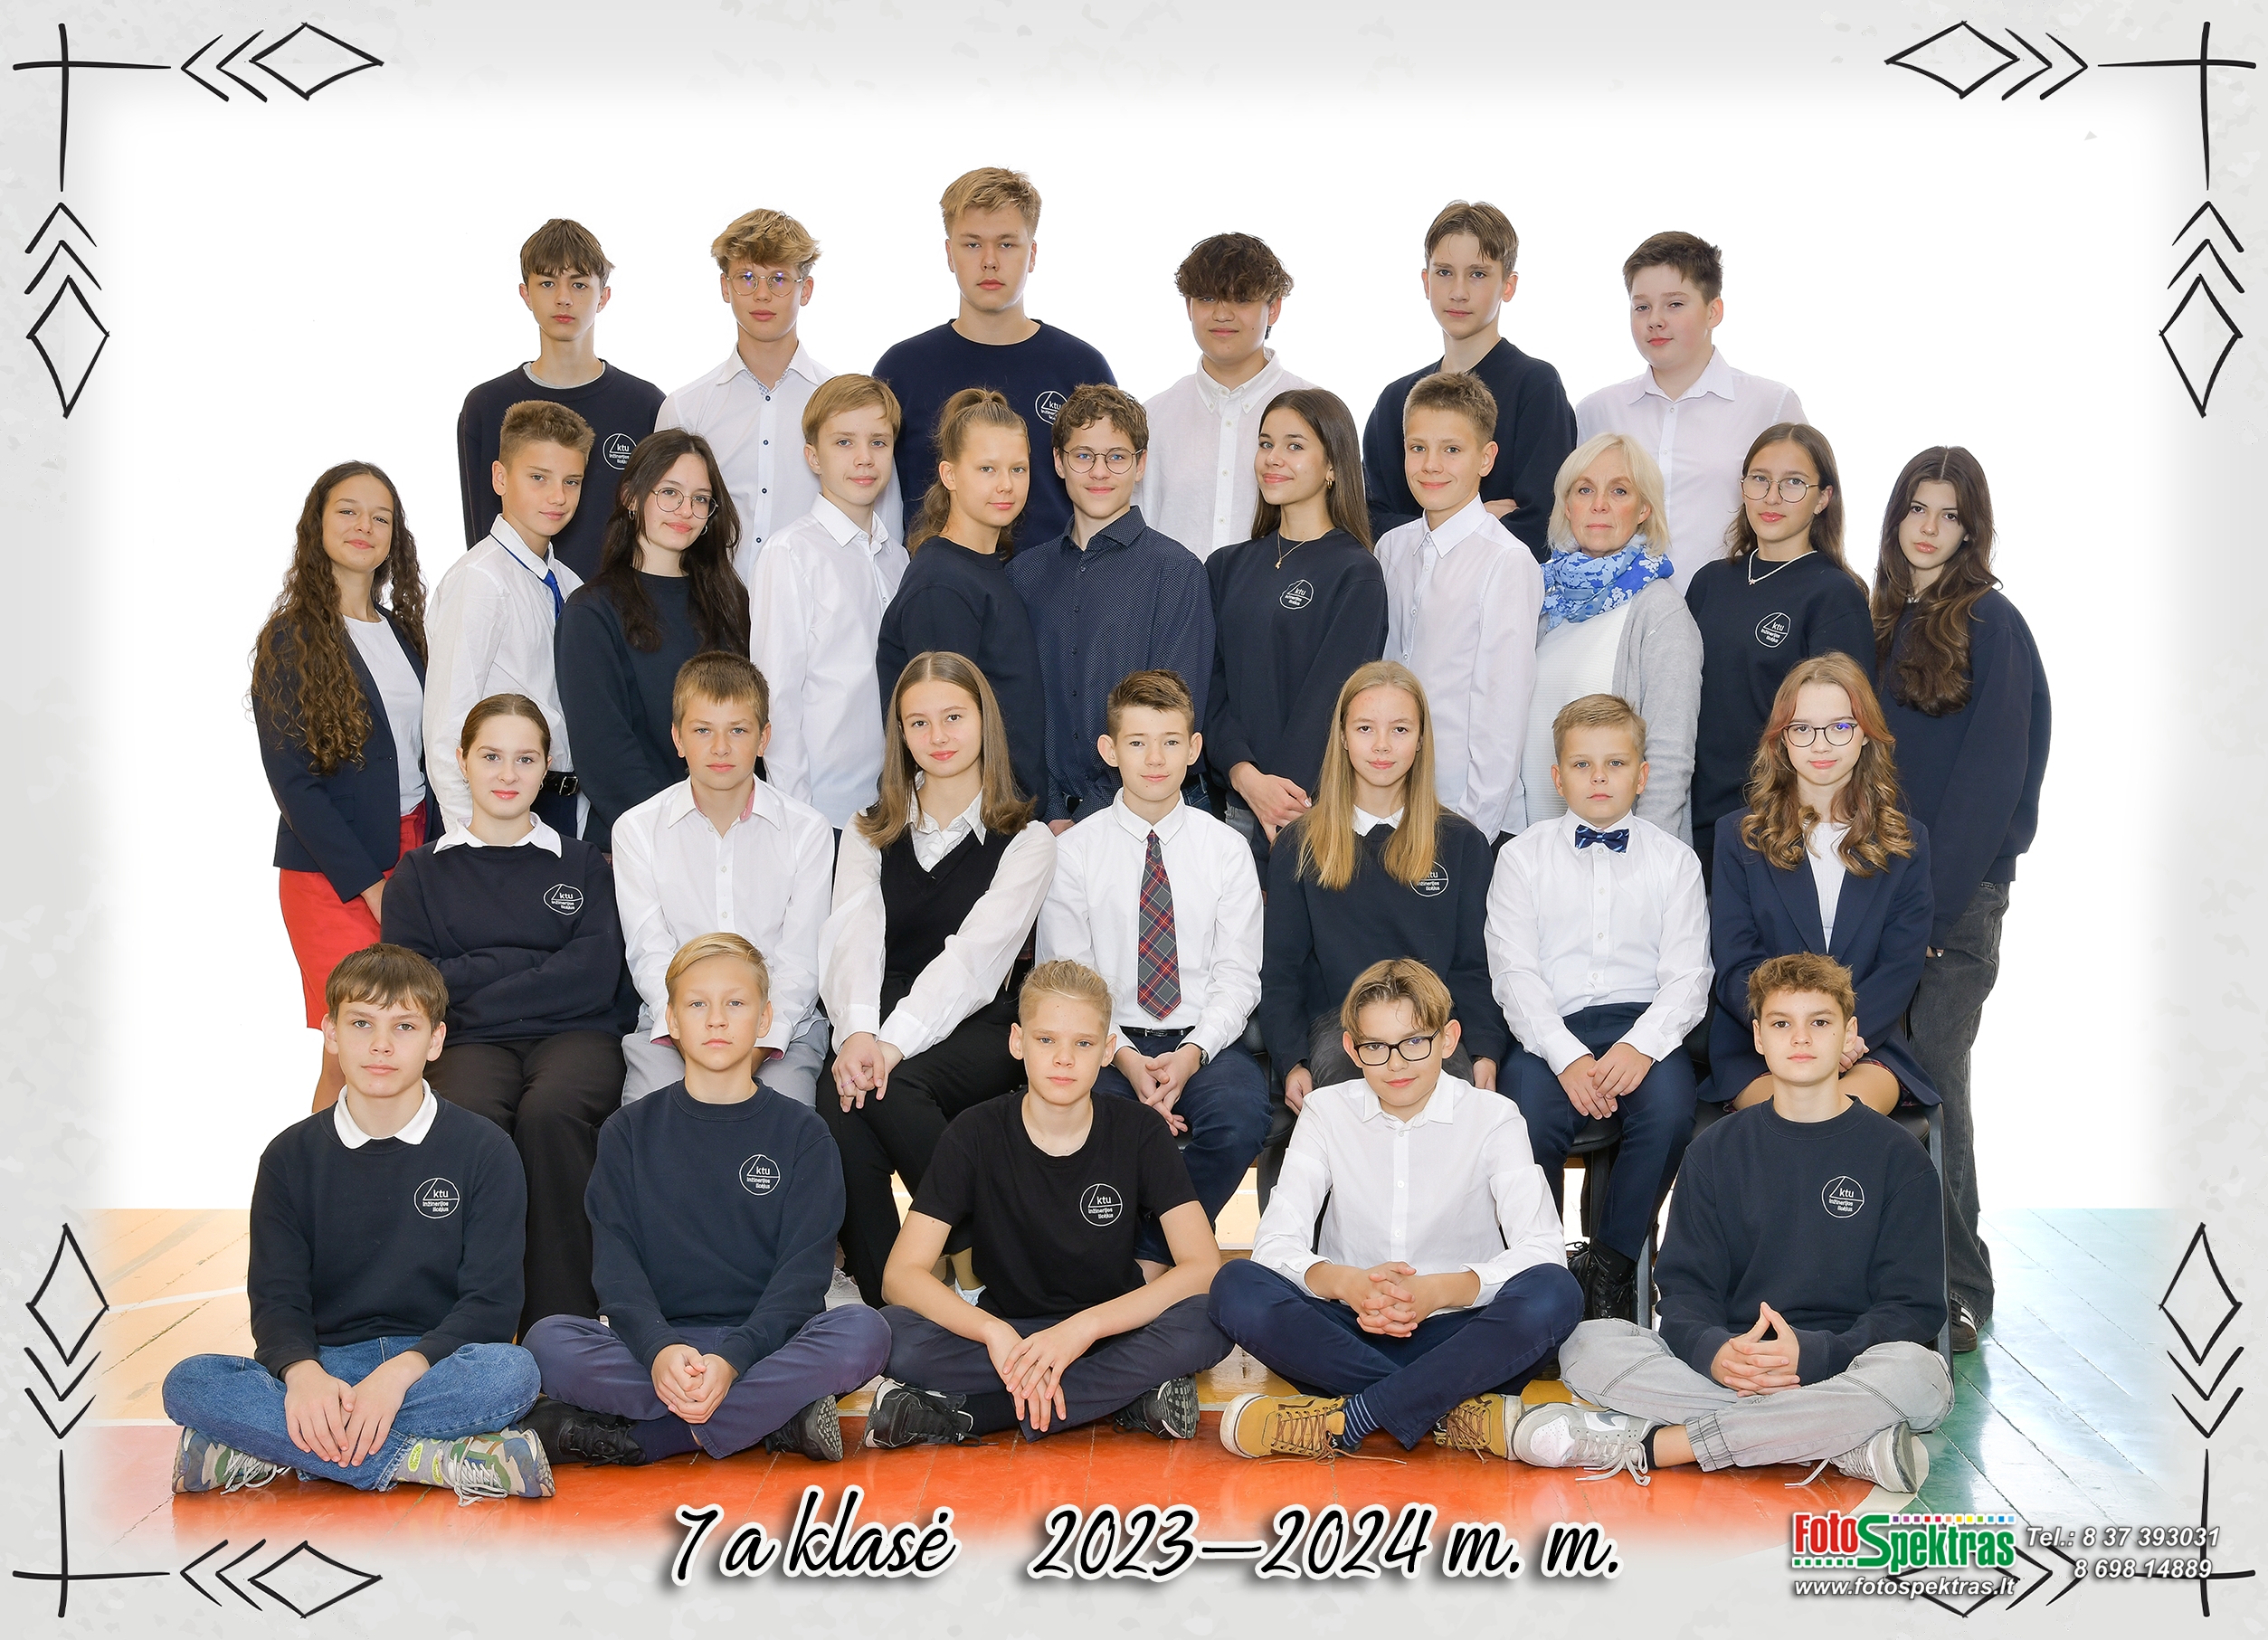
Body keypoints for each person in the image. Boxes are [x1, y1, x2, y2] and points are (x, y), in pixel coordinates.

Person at [1517, 953, 1950, 1493]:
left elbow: (1913, 1309)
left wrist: (1815, 1355)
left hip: (1846, 1363)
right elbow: (1685, 1294)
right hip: (1733, 1369)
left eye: (1820, 1022)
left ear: (1849, 1034)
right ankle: (1843, 1443)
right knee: (1588, 1343)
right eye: (1782, 1024)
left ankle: (1662, 1444)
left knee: (1920, 1376)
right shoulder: (1714, 1151)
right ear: (1758, 1038)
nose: (1801, 1038)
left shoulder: (1897, 1155)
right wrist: (1717, 1353)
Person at [162, 946, 553, 1503]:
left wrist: (399, 1376)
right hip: (330, 1365)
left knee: (512, 1372)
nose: (381, 1045)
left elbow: (491, 1305)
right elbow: (277, 1299)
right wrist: (303, 1376)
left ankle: (269, 1448)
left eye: (405, 1026)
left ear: (436, 1040)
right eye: (362, 1023)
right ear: (331, 1032)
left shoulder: (485, 1149)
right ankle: (426, 1460)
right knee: (190, 1380)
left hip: (434, 1366)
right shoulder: (289, 1157)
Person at [524, 934, 892, 1466]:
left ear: (765, 1019)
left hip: (768, 1343)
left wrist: (735, 1358)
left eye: (735, 1003)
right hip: (659, 1346)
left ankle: (645, 1439)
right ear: (671, 1020)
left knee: (865, 1332)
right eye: (697, 1004)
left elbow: (802, 1278)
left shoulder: (803, 1134)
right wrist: (659, 1351)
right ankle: (775, 1417)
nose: (716, 1020)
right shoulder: (627, 1132)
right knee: (548, 1341)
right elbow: (616, 1269)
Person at [1209, 959, 1577, 1459]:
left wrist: (1438, 1291)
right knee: (1235, 1286)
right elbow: (1275, 1244)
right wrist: (1347, 1284)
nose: (1396, 1064)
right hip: (1348, 1333)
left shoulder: (1494, 1116)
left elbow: (1543, 1250)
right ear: (1351, 1049)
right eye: (1376, 1047)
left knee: (1556, 1292)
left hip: (1459, 1334)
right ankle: (1447, 1411)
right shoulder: (1325, 1111)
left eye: (1414, 1042)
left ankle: (1352, 1417)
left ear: (1448, 1040)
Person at [861, 961, 1230, 1449]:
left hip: (1109, 1329)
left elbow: (1203, 1266)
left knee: (1211, 1319)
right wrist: (993, 1333)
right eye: (1046, 1040)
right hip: (1007, 1334)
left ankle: (973, 1414)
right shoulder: (973, 1133)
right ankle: (1124, 1398)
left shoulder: (1140, 1131)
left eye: (1083, 1044)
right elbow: (900, 1276)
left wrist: (1083, 1329)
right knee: (889, 1334)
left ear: (1107, 1051)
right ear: (1018, 1042)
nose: (1064, 1059)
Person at [1871, 447, 2050, 1353]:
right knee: (1875, 1085)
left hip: (1953, 906)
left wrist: (1936, 915)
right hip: (1876, 897)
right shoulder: (1880, 622)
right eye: (1916, 506)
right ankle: (1888, 1279)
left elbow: (1993, 777)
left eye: (1948, 512)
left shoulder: (1992, 623)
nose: (1929, 526)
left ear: (1971, 528)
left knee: (1932, 1083)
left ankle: (1957, 1290)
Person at [381, 694, 632, 1333]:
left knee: (552, 1113)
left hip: (575, 1035)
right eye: (491, 756)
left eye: (525, 758)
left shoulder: (584, 863)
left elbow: (594, 975)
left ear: (547, 766)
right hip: (467, 1044)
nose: (507, 773)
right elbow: (416, 987)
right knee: (471, 1117)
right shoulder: (419, 875)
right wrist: (533, 966)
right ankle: (475, 1326)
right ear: (461, 760)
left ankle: (562, 1326)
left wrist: (470, 973)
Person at [821, 652, 1058, 1303]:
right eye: (918, 722)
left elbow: (975, 961)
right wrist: (857, 1033)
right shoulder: (867, 829)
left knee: (886, 1086)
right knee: (838, 1096)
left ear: (985, 721)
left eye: (954, 717)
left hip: (980, 1019)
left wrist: (888, 1045)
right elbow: (852, 936)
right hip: (878, 1006)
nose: (938, 736)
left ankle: (988, 1251)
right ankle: (889, 1300)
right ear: (899, 733)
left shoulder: (1027, 838)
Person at [1037, 669, 1268, 1276]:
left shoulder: (1226, 850)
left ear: (1194, 749)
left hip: (1205, 1041)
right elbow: (1068, 981)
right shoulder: (1075, 853)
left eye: (1170, 741)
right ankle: (1111, 1260)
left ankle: (1149, 1257)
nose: (1155, 758)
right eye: (1137, 742)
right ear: (1109, 750)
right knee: (1094, 1126)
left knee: (1241, 1118)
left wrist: (1190, 1054)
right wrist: (1123, 1057)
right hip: (1105, 1044)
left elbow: (1238, 977)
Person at [1486, 695, 1709, 1322]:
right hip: (1547, 1029)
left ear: (1642, 774)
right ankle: (1540, 1269)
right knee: (1523, 1118)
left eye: (1616, 763)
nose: (1599, 777)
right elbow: (1513, 973)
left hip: (1643, 1026)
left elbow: (1689, 976)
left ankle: (1609, 1267)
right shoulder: (1520, 858)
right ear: (1557, 778)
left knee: (1669, 1113)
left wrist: (1640, 1046)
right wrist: (1565, 1056)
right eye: (1582, 765)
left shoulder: (1675, 861)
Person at [254, 462, 435, 1110]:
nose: (365, 526)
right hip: (333, 874)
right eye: (348, 511)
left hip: (414, 852)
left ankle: (391, 1174)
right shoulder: (290, 638)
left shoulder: (403, 632)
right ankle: (316, 1178)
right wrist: (371, 887)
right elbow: (294, 785)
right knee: (352, 1053)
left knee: (408, 1047)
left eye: (380, 517)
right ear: (318, 524)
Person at [1261, 662, 1505, 1115]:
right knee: (1355, 1112)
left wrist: (1485, 1049)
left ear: (1420, 739)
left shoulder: (1462, 845)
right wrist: (1292, 1060)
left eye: (1399, 729)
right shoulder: (1298, 845)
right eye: (1365, 728)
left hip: (1433, 1028)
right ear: (1342, 736)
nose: (1381, 745)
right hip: (1341, 1029)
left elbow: (1476, 967)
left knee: (1450, 1113)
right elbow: (1281, 973)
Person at [1710, 654, 1935, 1117]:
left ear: (1865, 733)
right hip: (1762, 1044)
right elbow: (1735, 963)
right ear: (1782, 739)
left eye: (1840, 727)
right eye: (1802, 728)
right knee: (1795, 1117)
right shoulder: (1738, 836)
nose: (1821, 744)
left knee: (1838, 1116)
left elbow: (1899, 966)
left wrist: (1839, 1039)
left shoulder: (1905, 842)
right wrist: (1792, 1033)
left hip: (1864, 1041)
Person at [612, 652, 833, 1106]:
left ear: (764, 738)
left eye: (738, 730)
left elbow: (801, 962)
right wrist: (698, 1044)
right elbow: (650, 955)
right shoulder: (636, 830)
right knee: (652, 1123)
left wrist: (747, 1055)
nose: (720, 747)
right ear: (677, 738)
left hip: (780, 1028)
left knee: (779, 1125)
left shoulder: (808, 831)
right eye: (702, 731)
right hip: (674, 1025)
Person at [872, 167, 1115, 550]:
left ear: (1031, 254)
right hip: (938, 584)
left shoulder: (1081, 369)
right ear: (949, 254)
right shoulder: (901, 371)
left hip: (1061, 586)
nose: (989, 261)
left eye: (1006, 244)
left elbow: (1109, 498)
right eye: (972, 244)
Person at [1007, 384, 1215, 825]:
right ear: (1059, 462)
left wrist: (1090, 818)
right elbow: (1016, 708)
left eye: (1117, 457)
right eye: (1083, 455)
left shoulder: (1176, 572)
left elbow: (1173, 714)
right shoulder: (1024, 575)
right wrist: (1052, 811)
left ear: (1140, 464)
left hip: (1147, 813)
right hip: (1042, 817)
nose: (1099, 471)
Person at [1203, 388, 1388, 862]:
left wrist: (1277, 797)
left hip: (1306, 815)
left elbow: (1332, 700)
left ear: (1333, 466)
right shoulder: (1225, 566)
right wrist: (1243, 775)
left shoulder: (1356, 573)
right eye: (1266, 444)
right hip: (1226, 808)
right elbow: (1208, 686)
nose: (1273, 458)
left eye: (1295, 445)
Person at [1684, 422, 1874, 878]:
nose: (1772, 497)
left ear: (1823, 498)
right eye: (1760, 479)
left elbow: (1842, 734)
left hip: (1778, 830)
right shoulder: (1710, 582)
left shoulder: (1834, 596)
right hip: (1692, 821)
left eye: (1793, 483)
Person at [1574, 232, 1807, 597]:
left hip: (1734, 612)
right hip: (1618, 617)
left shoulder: (1770, 405)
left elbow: (1804, 521)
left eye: (1675, 304)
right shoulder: (1597, 411)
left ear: (1714, 311)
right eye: (1641, 307)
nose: (1655, 320)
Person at [556, 431, 750, 853]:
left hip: (736, 837)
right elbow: (604, 753)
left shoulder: (730, 599)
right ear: (631, 497)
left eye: (701, 499)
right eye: (669, 493)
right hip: (642, 844)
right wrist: (682, 837)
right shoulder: (591, 611)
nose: (686, 510)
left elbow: (748, 726)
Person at [1374, 371, 1539, 841]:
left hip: (1464, 811)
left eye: (1451, 449)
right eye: (1417, 447)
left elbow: (1502, 707)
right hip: (1390, 799)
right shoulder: (1390, 549)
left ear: (1486, 458)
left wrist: (1473, 830)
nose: (1431, 465)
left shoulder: (1506, 561)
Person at [1361, 200, 1575, 558]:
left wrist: (1423, 530)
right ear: (1426, 282)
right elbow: (1369, 523)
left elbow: (1541, 527)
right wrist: (1475, 521)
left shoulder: (1536, 388)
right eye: (1445, 272)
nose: (1458, 291)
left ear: (1508, 285)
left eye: (1477, 274)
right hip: (1403, 593)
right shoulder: (1395, 400)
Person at [456, 219, 663, 581]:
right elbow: (482, 538)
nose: (563, 298)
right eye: (548, 283)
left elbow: (658, 530)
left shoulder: (644, 405)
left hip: (619, 608)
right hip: (519, 606)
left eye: (579, 284)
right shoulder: (487, 406)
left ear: (604, 297)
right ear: (526, 294)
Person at [748, 374, 909, 833]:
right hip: (824, 812)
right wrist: (797, 821)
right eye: (844, 442)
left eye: (878, 442)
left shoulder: (898, 559)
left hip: (896, 806)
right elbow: (776, 699)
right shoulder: (790, 554)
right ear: (813, 457)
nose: (864, 458)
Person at [425, 401, 593, 839]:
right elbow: (446, 726)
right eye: (538, 477)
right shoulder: (480, 581)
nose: (558, 496)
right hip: (494, 808)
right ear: (500, 477)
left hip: (561, 804)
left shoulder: (569, 584)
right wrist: (468, 841)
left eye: (571, 481)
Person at [875, 388, 1049, 804]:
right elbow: (943, 740)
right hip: (973, 822)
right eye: (987, 468)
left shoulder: (986, 567)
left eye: (1018, 469)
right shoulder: (941, 586)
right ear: (949, 475)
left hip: (1007, 814)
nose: (1006, 485)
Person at [1527, 432, 1703, 841]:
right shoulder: (1542, 596)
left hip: (1622, 851)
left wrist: (1646, 857)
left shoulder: (1661, 611)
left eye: (1619, 491)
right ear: (1567, 506)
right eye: (1584, 489)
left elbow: (1670, 758)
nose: (1599, 504)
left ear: (1644, 509)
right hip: (1533, 848)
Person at [657, 209, 839, 575]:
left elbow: (877, 528)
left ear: (805, 289)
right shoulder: (685, 409)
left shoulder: (841, 406)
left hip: (815, 605)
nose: (762, 294)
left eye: (779, 279)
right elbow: (658, 527)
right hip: (709, 607)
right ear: (725, 288)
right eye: (747, 278)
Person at [1138, 232, 1312, 560]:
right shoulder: (1152, 418)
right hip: (1170, 595)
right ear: (1188, 307)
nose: (1221, 314)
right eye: (1206, 298)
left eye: (1241, 299)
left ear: (1274, 308)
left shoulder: (1315, 411)